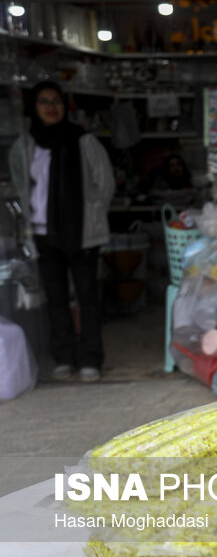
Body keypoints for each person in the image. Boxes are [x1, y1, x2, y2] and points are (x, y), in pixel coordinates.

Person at [8, 81, 115, 383]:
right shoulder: (25, 146)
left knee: (87, 297)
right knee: (55, 298)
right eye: (43, 101)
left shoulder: (84, 141)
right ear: (34, 107)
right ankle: (64, 356)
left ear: (64, 105)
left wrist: (91, 214)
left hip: (83, 233)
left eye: (56, 100)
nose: (50, 106)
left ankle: (91, 358)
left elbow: (104, 184)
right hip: (43, 234)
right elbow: (20, 186)